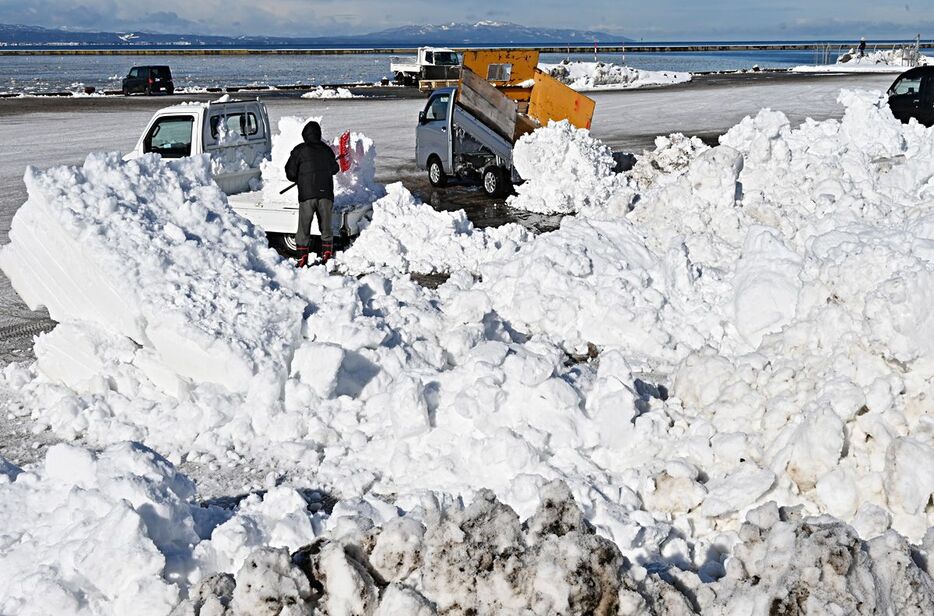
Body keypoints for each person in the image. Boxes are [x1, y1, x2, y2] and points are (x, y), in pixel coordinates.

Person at [285, 121, 339, 266]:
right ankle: (327, 254)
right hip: (326, 194)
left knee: (303, 228)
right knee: (326, 226)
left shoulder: (299, 150)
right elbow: (335, 169)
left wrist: (300, 177)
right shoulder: (327, 150)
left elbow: (290, 173)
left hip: (307, 195)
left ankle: (302, 258)